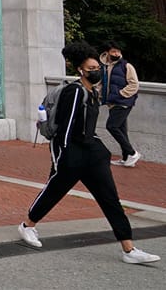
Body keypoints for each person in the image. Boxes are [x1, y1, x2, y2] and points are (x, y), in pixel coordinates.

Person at [18, 41, 159, 264]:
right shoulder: (74, 92)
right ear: (80, 70)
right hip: (71, 151)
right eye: (91, 69)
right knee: (55, 191)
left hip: (92, 152)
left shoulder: (92, 92)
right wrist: (63, 157)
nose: (96, 72)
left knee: (110, 199)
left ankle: (129, 249)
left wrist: (99, 151)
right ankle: (27, 225)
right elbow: (66, 128)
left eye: (97, 69)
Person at [100, 41, 142, 167]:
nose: (116, 53)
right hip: (112, 103)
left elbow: (134, 84)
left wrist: (120, 94)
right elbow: (103, 84)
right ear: (107, 52)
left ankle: (132, 153)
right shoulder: (105, 66)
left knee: (111, 126)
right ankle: (126, 158)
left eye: (118, 51)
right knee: (122, 130)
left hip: (123, 102)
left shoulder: (126, 66)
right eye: (113, 51)